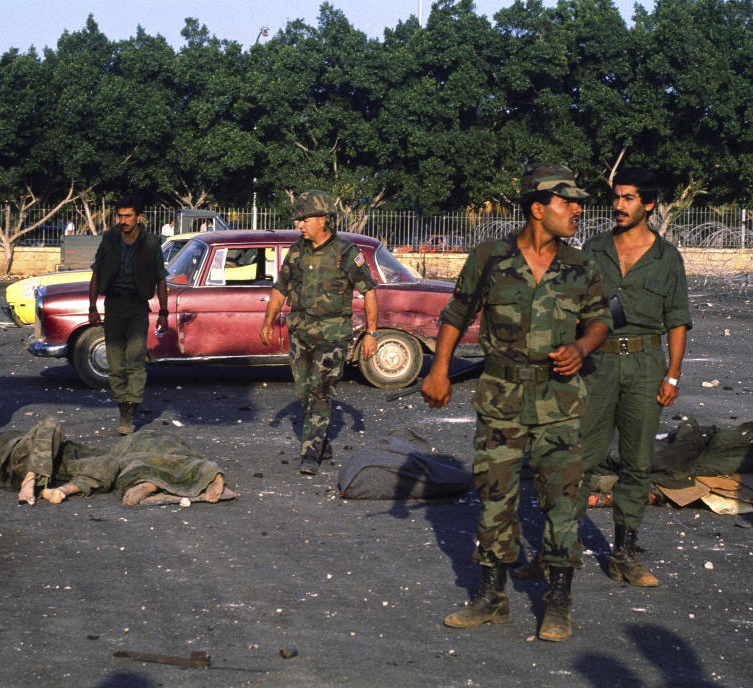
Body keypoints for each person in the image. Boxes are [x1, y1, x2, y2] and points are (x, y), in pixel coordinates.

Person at [421, 163, 612, 642]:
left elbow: (599, 321)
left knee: (563, 500)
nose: (577, 210)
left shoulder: (581, 264)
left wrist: (582, 348)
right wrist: (439, 369)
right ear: (537, 209)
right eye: (568, 203)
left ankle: (558, 602)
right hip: (501, 398)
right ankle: (492, 597)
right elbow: (457, 312)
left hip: (561, 399)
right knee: (495, 495)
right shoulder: (491, 256)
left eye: (577, 203)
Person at [575, 167, 691, 585]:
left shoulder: (667, 258)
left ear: (648, 204)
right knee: (581, 458)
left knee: (638, 462)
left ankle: (623, 553)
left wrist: (672, 375)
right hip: (597, 363)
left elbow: (677, 320)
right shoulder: (593, 249)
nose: (619, 206)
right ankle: (560, 550)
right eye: (617, 197)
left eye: (628, 198)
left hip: (645, 366)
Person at [259, 189, 378, 475]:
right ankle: (321, 441)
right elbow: (280, 288)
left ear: (324, 220)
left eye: (305, 220)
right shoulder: (297, 250)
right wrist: (268, 321)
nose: (299, 225)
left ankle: (310, 453)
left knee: (320, 389)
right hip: (300, 332)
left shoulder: (346, 252)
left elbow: (369, 291)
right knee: (303, 392)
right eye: (298, 220)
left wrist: (371, 333)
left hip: (332, 334)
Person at [0, 416, 228, 506]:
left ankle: (59, 490)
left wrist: (35, 480)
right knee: (52, 424)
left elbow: (48, 432)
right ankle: (41, 483)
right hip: (28, 465)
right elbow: (48, 429)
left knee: (113, 464)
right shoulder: (11, 445)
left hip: (59, 465)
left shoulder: (27, 441)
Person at [89, 195, 168, 435]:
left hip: (137, 306)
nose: (123, 220)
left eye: (128, 216)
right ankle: (122, 404)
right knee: (115, 363)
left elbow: (161, 278)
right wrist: (92, 307)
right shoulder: (109, 239)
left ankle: (130, 409)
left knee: (135, 359)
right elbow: (96, 272)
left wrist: (164, 312)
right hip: (113, 305)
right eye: (120, 216)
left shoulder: (151, 243)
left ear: (138, 217)